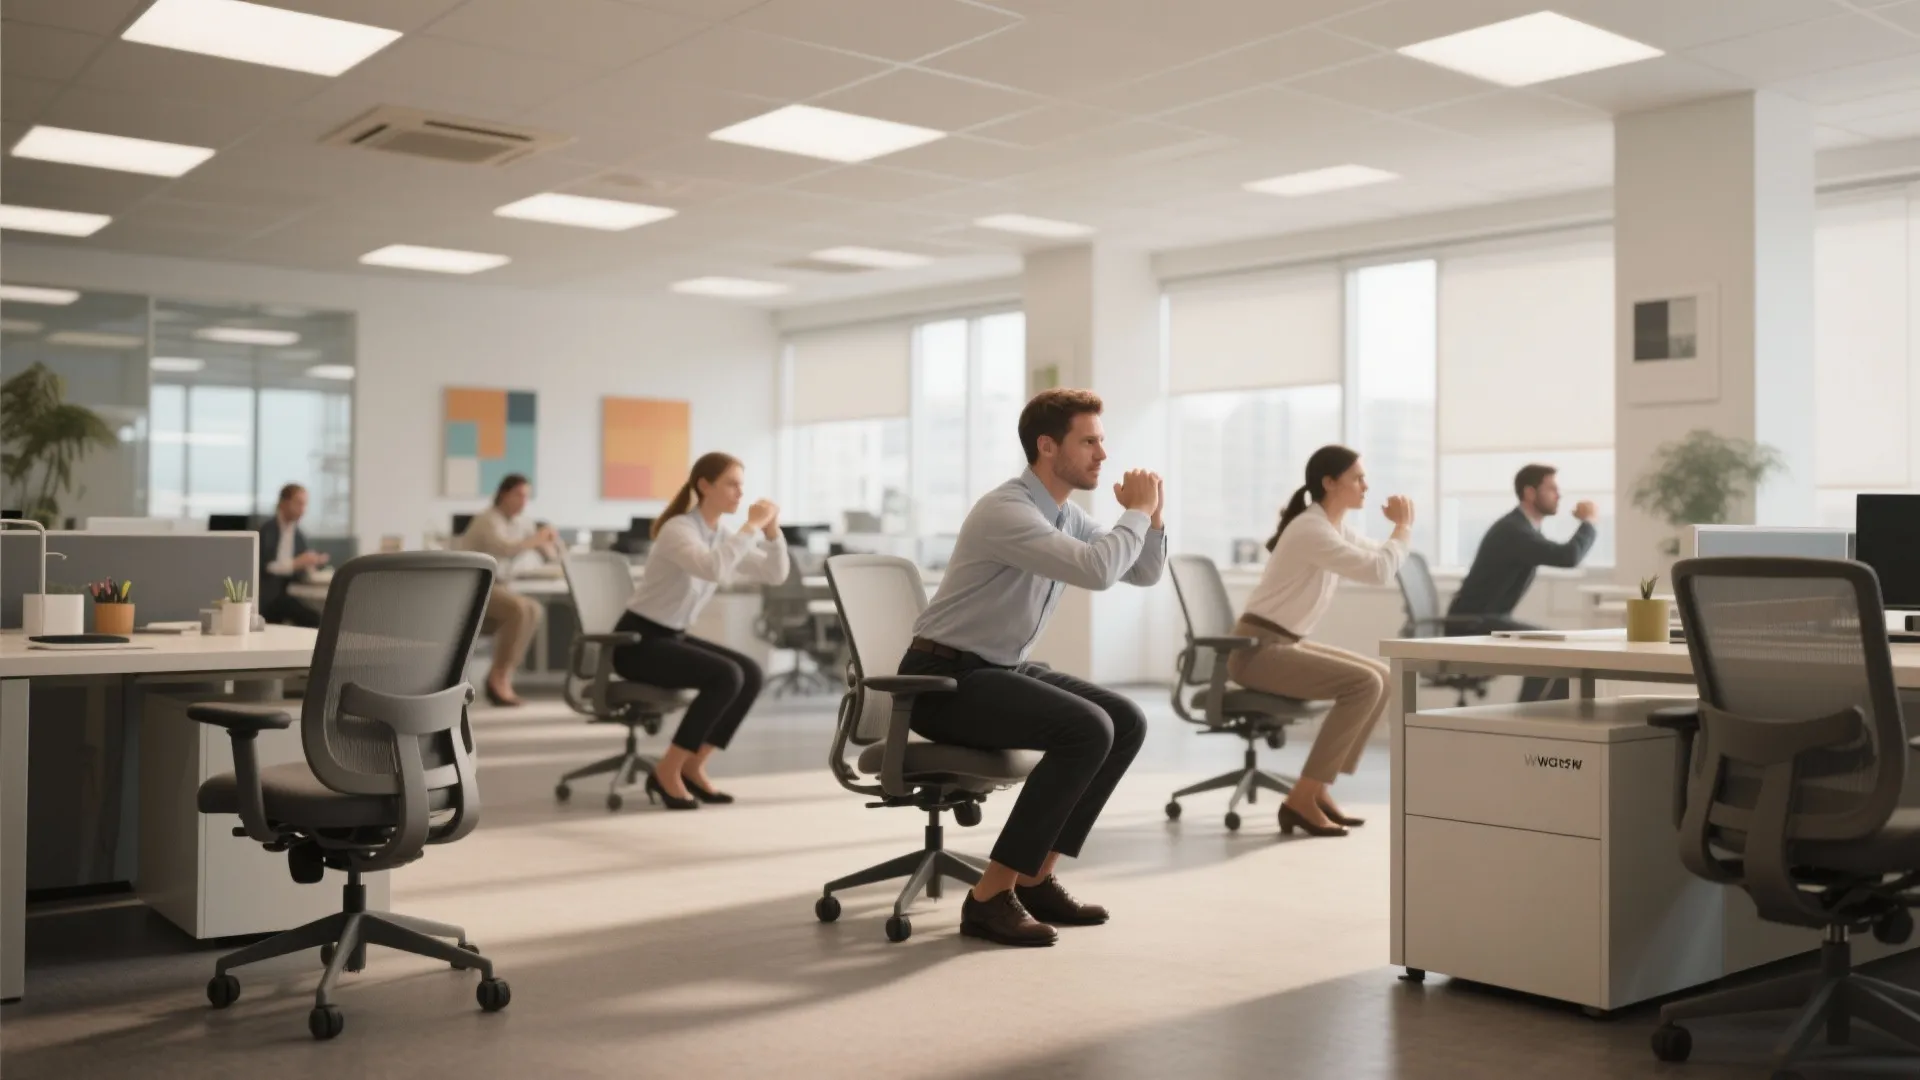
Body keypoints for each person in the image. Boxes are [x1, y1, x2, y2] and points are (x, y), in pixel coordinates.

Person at [899, 388, 1165, 948]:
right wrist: (1134, 513)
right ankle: (990, 897)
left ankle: (1036, 878)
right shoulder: (1008, 510)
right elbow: (1097, 571)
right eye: (1088, 440)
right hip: (942, 680)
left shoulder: (1066, 514)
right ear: (1048, 446)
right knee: (1087, 728)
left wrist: (1153, 521)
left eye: (1102, 440)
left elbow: (1138, 573)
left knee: (1126, 721)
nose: (1102, 453)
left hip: (998, 669)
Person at [1228, 446, 1410, 840]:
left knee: (1382, 676)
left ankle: (1318, 791)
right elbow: (1379, 570)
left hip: (1281, 642)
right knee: (1364, 684)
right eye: (1358, 478)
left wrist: (1397, 537)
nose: (1366, 485)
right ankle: (1301, 799)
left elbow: (1379, 558)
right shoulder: (1311, 528)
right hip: (1255, 650)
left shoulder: (1332, 526)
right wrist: (1402, 529)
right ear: (1330, 483)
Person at [614, 452, 786, 810]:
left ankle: (694, 764)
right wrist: (751, 528)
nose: (741, 493)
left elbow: (775, 574)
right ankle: (668, 769)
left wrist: (772, 534)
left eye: (742, 484)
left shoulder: (719, 533)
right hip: (636, 642)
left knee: (751, 673)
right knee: (726, 675)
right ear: (704, 485)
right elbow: (713, 569)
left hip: (670, 636)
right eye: (732, 484)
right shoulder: (679, 529)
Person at [1446, 463, 1599, 703]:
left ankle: (1538, 722)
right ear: (1529, 493)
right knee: (1556, 647)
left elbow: (1564, 554)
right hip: (1471, 623)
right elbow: (1568, 556)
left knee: (1554, 648)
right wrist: (1588, 522)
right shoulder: (1513, 531)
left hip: (1484, 619)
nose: (1559, 495)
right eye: (1551, 489)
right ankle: (1530, 722)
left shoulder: (1522, 528)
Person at [457, 474, 557, 707]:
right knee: (519, 609)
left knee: (534, 610)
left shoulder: (521, 522)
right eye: (519, 495)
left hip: (499, 586)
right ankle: (497, 679)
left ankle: (503, 674)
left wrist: (551, 540)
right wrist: (536, 539)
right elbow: (505, 548)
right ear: (504, 494)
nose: (523, 501)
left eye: (527, 497)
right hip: (475, 587)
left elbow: (547, 553)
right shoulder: (487, 520)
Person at [258, 483, 328, 628]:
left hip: (290, 593)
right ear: (284, 503)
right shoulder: (266, 530)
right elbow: (266, 566)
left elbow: (300, 571)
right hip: (267, 597)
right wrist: (296, 563)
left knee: (318, 618)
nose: (303, 510)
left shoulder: (299, 536)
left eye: (305, 505)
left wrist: (310, 564)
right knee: (313, 619)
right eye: (298, 503)